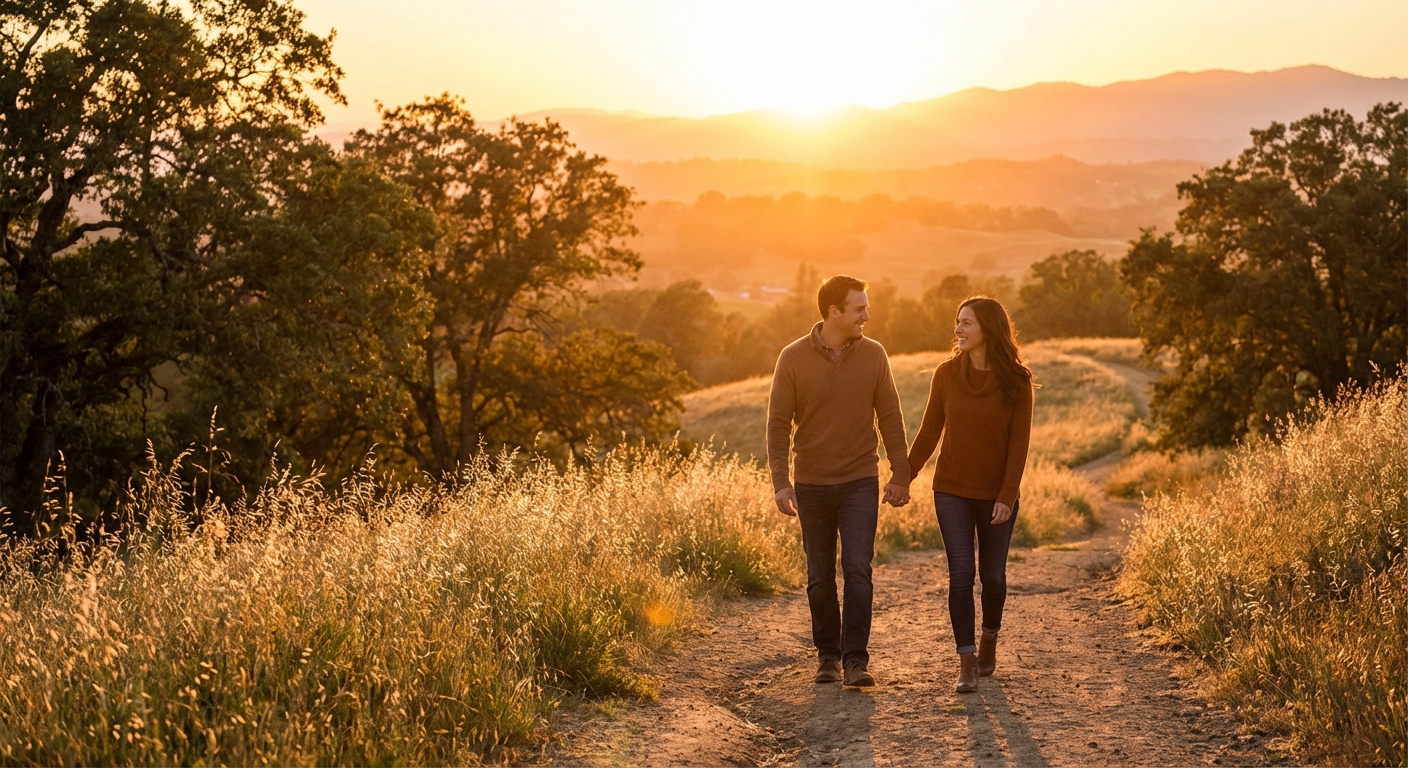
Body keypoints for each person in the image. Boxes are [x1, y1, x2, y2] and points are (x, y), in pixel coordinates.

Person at [767, 274, 912, 689]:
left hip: (859, 480)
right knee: (818, 574)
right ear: (834, 312)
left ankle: (855, 660)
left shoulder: (874, 355)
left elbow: (890, 417)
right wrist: (781, 481)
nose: (867, 315)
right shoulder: (792, 358)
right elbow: (778, 424)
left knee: (857, 568)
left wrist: (899, 473)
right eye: (859, 308)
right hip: (810, 482)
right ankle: (827, 656)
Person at [901, 296, 1034, 693]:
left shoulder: (1017, 380)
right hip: (951, 489)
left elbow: (1019, 444)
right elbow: (928, 432)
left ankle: (989, 636)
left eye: (966, 323)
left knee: (992, 577)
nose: (957, 329)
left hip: (997, 494)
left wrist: (1007, 495)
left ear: (987, 329)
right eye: (957, 322)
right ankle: (966, 660)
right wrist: (903, 476)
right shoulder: (945, 375)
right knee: (961, 575)